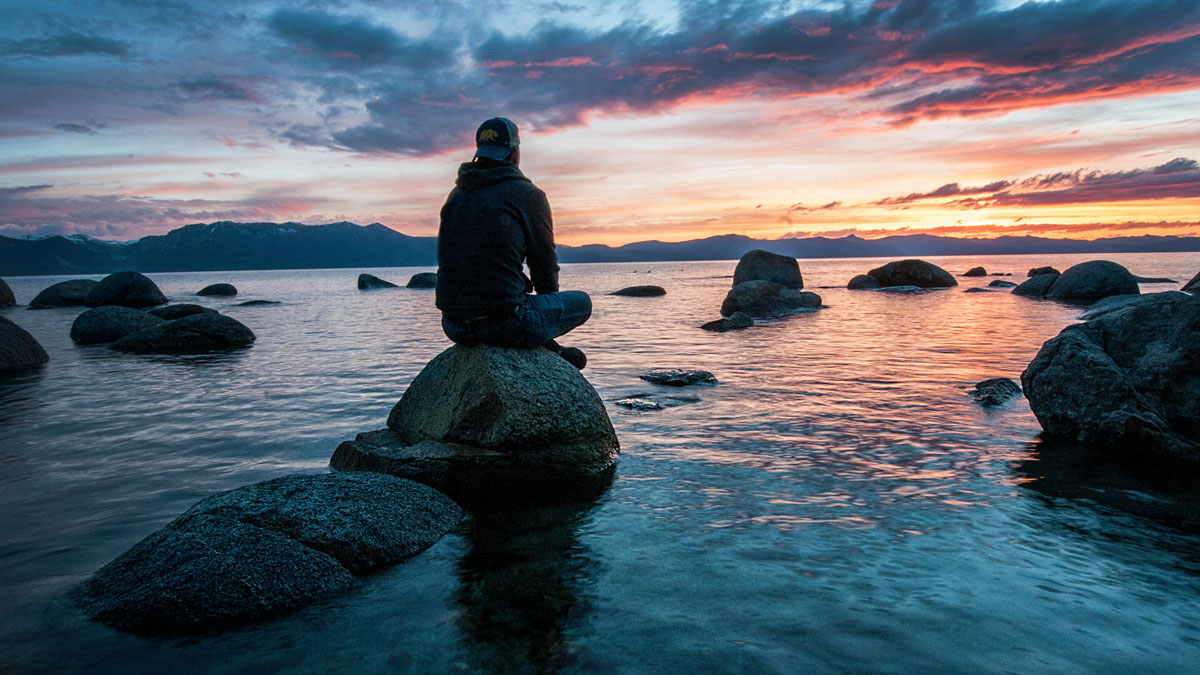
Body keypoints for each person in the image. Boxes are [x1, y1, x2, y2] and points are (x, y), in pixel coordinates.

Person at [435, 117, 591, 369]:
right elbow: (543, 264)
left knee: (515, 299)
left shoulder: (456, 196)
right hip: (504, 324)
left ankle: (548, 347)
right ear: (515, 153)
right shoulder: (527, 194)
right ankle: (548, 346)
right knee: (582, 302)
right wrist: (545, 314)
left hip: (453, 326)